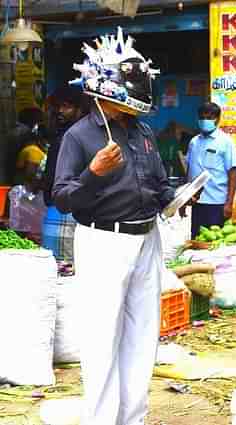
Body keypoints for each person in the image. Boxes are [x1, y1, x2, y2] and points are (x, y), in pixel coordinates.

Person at [52, 28, 177, 425]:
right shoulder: (78, 136)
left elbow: (157, 181)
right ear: (107, 89)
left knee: (143, 336)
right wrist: (93, 173)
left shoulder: (141, 131)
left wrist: (173, 196)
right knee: (103, 338)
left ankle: (133, 418)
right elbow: (63, 197)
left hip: (147, 238)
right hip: (104, 240)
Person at [41, 86, 88, 261]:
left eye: (66, 106)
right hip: (56, 209)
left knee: (63, 268)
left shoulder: (76, 136)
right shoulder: (63, 135)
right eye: (58, 106)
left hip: (68, 211)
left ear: (79, 109)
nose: (60, 111)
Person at [185, 102, 236, 239]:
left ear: (218, 119)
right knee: (197, 240)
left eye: (210, 117)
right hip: (197, 203)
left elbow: (232, 173)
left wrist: (229, 203)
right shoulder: (194, 142)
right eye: (202, 117)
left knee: (217, 242)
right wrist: (184, 198)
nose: (205, 121)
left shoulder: (226, 142)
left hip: (217, 203)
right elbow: (189, 170)